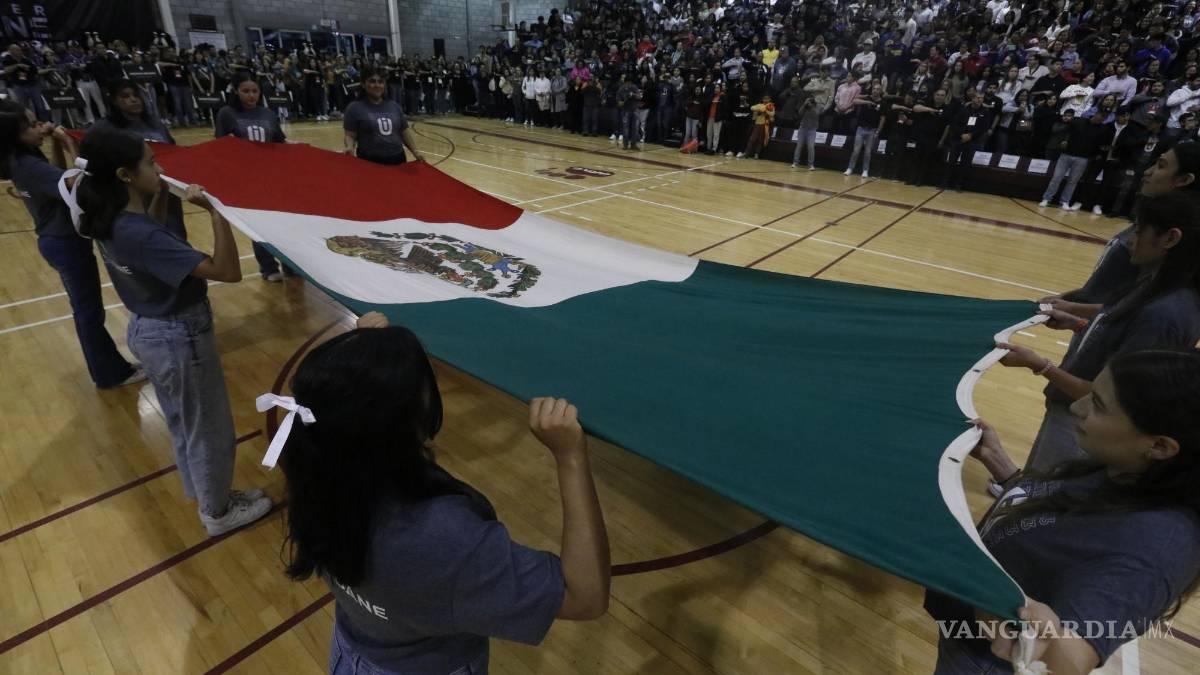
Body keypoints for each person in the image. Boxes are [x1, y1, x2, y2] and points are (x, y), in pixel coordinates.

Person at [266, 314, 610, 674]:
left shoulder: (316, 467)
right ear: (408, 425)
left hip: (354, 654)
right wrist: (570, 457)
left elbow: (341, 417)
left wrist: (364, 364)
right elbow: (583, 597)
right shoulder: (439, 537)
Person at [926, 348, 1200, 674]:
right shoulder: (1131, 469)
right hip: (970, 627)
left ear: (1159, 446)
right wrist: (1001, 465)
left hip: (985, 661)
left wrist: (1027, 625)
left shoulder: (1152, 550)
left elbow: (1072, 660)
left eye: (1097, 404)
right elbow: (1064, 518)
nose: (1076, 407)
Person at [69, 129, 272, 535]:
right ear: (126, 175)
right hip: (179, 336)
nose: (158, 167)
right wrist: (217, 213)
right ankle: (217, 513)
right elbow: (227, 272)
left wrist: (161, 192)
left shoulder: (111, 216)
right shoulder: (137, 233)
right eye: (150, 163)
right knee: (209, 426)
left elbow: (152, 233)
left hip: (151, 329)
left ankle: (207, 493)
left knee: (185, 421)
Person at [1000, 191, 1200, 473]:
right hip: (1076, 415)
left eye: (1139, 231)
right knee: (1035, 488)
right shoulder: (1152, 287)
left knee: (1044, 502)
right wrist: (1077, 322)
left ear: (1170, 238)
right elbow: (1119, 346)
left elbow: (1116, 395)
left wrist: (1039, 364)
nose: (1131, 241)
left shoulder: (1165, 313)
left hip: (1087, 431)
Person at [0, 100, 143, 388]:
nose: (40, 127)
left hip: (59, 240)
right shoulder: (27, 165)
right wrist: (69, 144)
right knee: (89, 312)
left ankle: (111, 369)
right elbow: (80, 184)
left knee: (87, 309)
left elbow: (58, 178)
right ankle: (110, 374)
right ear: (14, 135)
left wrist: (54, 146)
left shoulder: (24, 159)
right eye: (31, 126)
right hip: (64, 243)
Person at [215, 70, 288, 282]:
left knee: (281, 224)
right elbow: (220, 146)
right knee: (259, 225)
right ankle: (268, 267)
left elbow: (279, 144)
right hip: (247, 179)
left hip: (271, 177)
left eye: (254, 91)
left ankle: (290, 265)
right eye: (245, 91)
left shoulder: (268, 114)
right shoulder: (227, 114)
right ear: (236, 91)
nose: (251, 95)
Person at [343, 68, 425, 165]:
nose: (377, 85)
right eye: (372, 81)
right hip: (369, 162)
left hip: (398, 159)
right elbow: (350, 135)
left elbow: (404, 132)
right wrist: (349, 146)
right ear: (363, 84)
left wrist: (416, 152)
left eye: (381, 82)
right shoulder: (354, 108)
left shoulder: (394, 106)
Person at [90, 79, 174, 143]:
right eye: (125, 96)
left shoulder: (155, 122)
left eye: (136, 95)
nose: (133, 99)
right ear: (114, 101)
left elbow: (172, 149)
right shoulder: (102, 128)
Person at [844, 85, 885, 178]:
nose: (875, 90)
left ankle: (865, 170)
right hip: (861, 128)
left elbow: (882, 118)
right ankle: (850, 168)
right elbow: (854, 101)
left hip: (872, 130)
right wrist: (866, 102)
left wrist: (878, 131)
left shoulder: (882, 102)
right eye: (874, 89)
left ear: (881, 91)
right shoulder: (866, 97)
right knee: (856, 150)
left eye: (878, 89)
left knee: (867, 152)